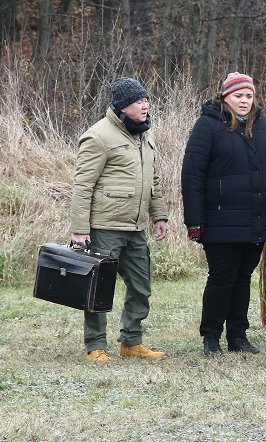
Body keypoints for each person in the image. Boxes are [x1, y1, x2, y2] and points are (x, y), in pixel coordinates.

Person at [181, 72, 266, 356]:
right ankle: (211, 337)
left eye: (249, 96)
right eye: (238, 96)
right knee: (222, 277)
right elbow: (192, 175)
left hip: (256, 216)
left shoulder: (265, 126)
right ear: (225, 97)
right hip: (220, 219)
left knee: (244, 277)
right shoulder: (207, 126)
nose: (244, 101)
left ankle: (238, 336)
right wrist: (195, 220)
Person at [70, 77, 169, 363]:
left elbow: (154, 180)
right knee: (99, 288)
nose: (145, 105)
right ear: (123, 106)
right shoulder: (98, 136)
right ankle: (95, 345)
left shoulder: (146, 134)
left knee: (141, 285)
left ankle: (132, 342)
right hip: (105, 227)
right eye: (139, 101)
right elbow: (82, 185)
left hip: (136, 228)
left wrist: (159, 215)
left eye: (146, 100)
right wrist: (79, 229)